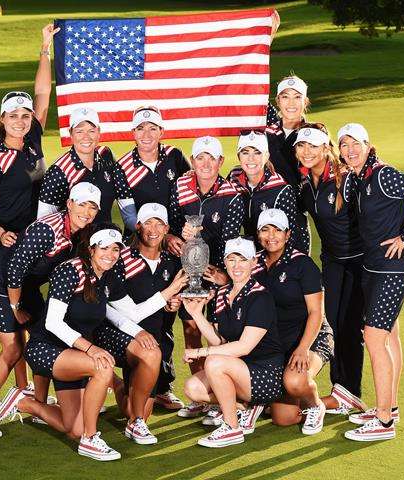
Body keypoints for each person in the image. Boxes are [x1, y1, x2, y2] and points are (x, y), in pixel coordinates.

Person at [0, 224, 187, 457]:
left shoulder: (108, 276)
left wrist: (139, 330)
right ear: (91, 249)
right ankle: (90, 439)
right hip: (47, 348)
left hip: (76, 353)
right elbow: (53, 323)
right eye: (104, 248)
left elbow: (126, 313)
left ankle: (24, 402)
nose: (111, 254)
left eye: (116, 249)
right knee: (102, 367)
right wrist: (92, 348)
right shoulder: (69, 271)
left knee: (73, 427)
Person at [0, 182, 100, 437]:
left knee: (45, 334)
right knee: (14, 348)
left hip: (25, 287)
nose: (86, 211)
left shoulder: (80, 233)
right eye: (81, 203)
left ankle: (37, 401)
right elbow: (15, 269)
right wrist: (16, 307)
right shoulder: (46, 230)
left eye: (92, 207)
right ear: (69, 203)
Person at [0, 23, 58, 405]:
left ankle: (21, 387)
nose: (22, 120)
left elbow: (43, 93)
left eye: (26, 115)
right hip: (1, 243)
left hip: (31, 241)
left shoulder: (34, 140)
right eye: (14, 116)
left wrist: (45, 48)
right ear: (2, 120)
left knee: (19, 311)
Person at [338, 123, 404, 441]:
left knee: (374, 336)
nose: (350, 149)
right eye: (344, 145)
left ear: (368, 145)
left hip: (394, 269)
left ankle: (383, 422)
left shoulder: (382, 173)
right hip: (374, 268)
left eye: (356, 143)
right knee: (390, 336)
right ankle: (388, 407)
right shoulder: (357, 177)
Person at [168, 136, 244, 418]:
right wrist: (177, 236)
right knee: (190, 329)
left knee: (216, 332)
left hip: (216, 275)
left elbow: (231, 241)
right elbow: (172, 226)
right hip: (188, 273)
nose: (206, 163)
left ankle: (218, 395)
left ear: (221, 162)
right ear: (193, 160)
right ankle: (201, 398)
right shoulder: (181, 188)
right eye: (200, 158)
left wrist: (222, 274)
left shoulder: (231, 194)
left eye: (212, 158)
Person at [182, 237, 284, 448]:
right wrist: (197, 314)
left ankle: (231, 428)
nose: (236, 266)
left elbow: (244, 347)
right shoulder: (222, 293)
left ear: (253, 262)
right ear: (225, 262)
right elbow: (220, 341)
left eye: (243, 260)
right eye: (231, 259)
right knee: (193, 388)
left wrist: (200, 352)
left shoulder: (260, 297)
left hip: (266, 373)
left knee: (214, 362)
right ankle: (243, 407)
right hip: (239, 368)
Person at [294, 124, 367, 414]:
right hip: (333, 261)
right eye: (302, 146)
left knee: (350, 325)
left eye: (314, 146)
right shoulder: (305, 184)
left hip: (359, 262)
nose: (307, 151)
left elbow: (375, 211)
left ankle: (350, 392)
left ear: (326, 148)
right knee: (335, 324)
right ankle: (341, 389)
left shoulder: (346, 180)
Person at [253, 209, 334, 435]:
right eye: (265, 230)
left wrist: (302, 348)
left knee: (295, 382)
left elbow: (316, 313)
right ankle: (337, 401)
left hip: (311, 338)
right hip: (279, 344)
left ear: (288, 234)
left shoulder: (303, 265)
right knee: (284, 418)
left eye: (277, 230)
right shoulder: (253, 264)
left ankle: (316, 405)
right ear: (258, 235)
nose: (271, 236)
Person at [114, 203, 185, 415]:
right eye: (147, 223)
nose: (153, 230)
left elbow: (174, 300)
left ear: (166, 229)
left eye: (159, 224)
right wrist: (170, 291)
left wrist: (175, 302)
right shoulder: (123, 259)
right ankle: (115, 382)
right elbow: (127, 311)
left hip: (157, 339)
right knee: (132, 413)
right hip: (127, 337)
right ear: (137, 226)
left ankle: (134, 389)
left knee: (139, 414)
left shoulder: (171, 263)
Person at [37, 106, 137, 231]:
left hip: (106, 243)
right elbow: (44, 222)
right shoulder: (58, 172)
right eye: (80, 131)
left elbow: (125, 202)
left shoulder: (107, 155)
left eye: (91, 131)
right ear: (71, 133)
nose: (86, 137)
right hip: (75, 247)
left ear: (98, 132)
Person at [229, 130, 309, 252]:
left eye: (257, 153)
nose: (251, 159)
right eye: (245, 153)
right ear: (238, 156)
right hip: (250, 250)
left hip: (278, 251)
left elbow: (291, 237)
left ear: (266, 156)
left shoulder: (281, 189)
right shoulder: (233, 177)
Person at [118, 106, 189, 222]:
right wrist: (156, 234)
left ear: (161, 132)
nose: (146, 135)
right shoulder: (122, 167)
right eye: (140, 128)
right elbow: (129, 217)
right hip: (142, 235)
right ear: (133, 133)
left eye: (152, 128)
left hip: (177, 232)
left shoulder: (175, 155)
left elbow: (192, 197)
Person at [265, 75, 309, 190]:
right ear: (278, 101)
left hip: (303, 205)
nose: (291, 103)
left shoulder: (315, 134)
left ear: (305, 101)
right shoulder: (265, 135)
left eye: (297, 97)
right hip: (268, 202)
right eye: (285, 97)